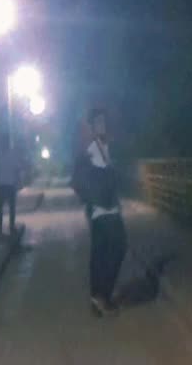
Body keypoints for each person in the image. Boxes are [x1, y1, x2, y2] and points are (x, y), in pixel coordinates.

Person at [70, 108, 126, 316]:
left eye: (104, 122)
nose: (102, 125)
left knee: (101, 253)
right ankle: (102, 295)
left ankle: (98, 297)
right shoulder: (93, 149)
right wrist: (95, 198)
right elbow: (87, 180)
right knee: (117, 248)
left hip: (105, 209)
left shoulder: (104, 146)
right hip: (103, 210)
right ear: (92, 127)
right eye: (98, 123)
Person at [0, 136, 20, 238]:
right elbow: (17, 169)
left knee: (0, 209)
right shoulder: (12, 154)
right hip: (10, 184)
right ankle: (11, 227)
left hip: (1, 185)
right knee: (11, 208)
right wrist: (17, 181)